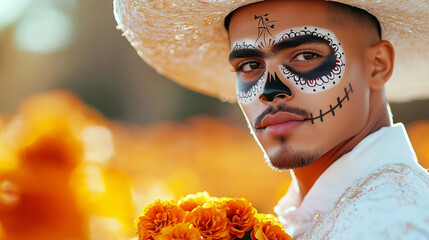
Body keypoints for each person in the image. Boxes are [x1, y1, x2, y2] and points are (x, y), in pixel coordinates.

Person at [113, 0, 429, 239]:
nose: (270, 90)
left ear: (377, 65)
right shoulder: (322, 211)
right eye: (250, 65)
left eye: (305, 56)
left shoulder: (396, 222)